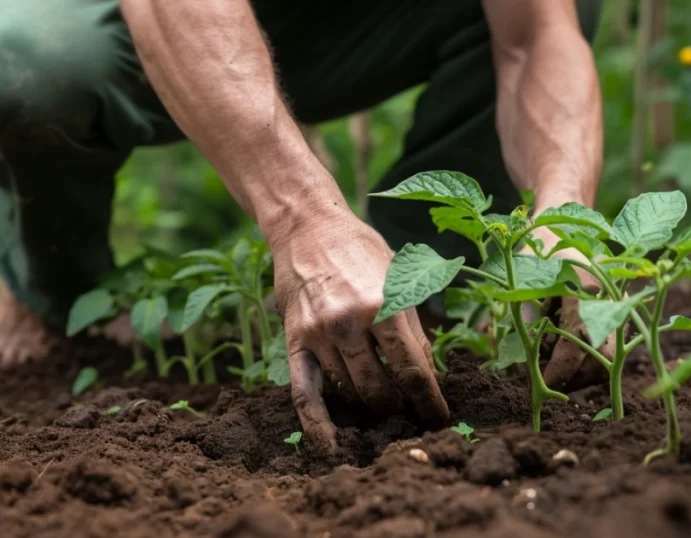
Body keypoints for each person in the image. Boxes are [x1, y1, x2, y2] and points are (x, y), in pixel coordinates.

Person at [0, 0, 608, 451]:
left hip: (353, 27)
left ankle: (407, 312)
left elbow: (536, 37)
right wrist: (304, 217)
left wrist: (561, 221)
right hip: (147, 22)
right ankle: (53, 303)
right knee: (31, 63)